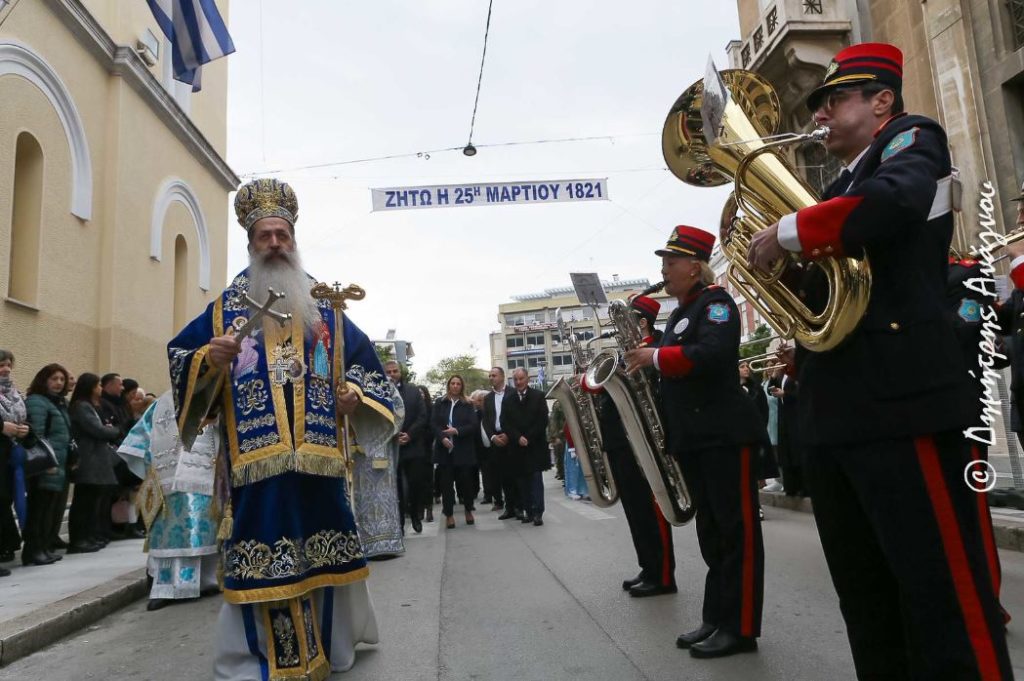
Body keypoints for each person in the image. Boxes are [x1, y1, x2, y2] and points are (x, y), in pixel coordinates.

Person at [747, 43, 1012, 677]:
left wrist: (787, 234)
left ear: (881, 101)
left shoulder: (912, 140)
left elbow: (895, 203)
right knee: (868, 601)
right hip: (841, 412)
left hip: (901, 405)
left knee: (941, 594)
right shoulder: (839, 185)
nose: (821, 116)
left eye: (834, 100)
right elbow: (827, 288)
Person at [168, 178, 396, 679]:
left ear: (293, 240)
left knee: (325, 558)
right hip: (256, 468)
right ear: (250, 243)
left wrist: (352, 396)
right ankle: (260, 663)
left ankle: (332, 652)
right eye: (264, 235)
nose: (274, 243)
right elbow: (181, 358)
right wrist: (211, 358)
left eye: (282, 234)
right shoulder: (224, 311)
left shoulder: (325, 310)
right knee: (264, 562)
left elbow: (366, 369)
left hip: (320, 463)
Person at [626, 225, 766, 658]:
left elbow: (715, 356)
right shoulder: (682, 312)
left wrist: (657, 356)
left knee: (736, 532)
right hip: (696, 437)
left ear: (694, 266)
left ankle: (740, 627)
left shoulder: (718, 304)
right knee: (712, 533)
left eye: (670, 262)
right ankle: (716, 616)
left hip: (724, 434)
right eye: (663, 263)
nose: (663, 270)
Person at [582, 295, 677, 597]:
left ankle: (662, 574)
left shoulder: (656, 347)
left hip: (644, 443)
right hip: (622, 441)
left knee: (652, 507)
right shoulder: (626, 353)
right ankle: (648, 566)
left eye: (624, 321)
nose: (617, 329)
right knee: (635, 509)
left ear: (642, 322)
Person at [117, 391, 219, 611]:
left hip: (204, 475)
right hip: (166, 477)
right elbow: (142, 437)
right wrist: (149, 467)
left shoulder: (215, 395)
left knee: (202, 531)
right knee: (169, 534)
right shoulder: (163, 403)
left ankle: (208, 581)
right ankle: (167, 588)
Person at [24, 364, 73, 566]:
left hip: (57, 464)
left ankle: (43, 548)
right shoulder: (37, 401)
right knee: (38, 508)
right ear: (44, 380)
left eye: (62, 379)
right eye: (54, 379)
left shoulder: (58, 403)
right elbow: (36, 434)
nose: (59, 383)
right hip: (44, 465)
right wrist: (47, 462)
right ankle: (33, 551)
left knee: (48, 509)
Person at [352, 373, 404, 560]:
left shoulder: (382, 382)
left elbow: (398, 410)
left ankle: (386, 542)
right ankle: (361, 543)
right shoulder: (344, 380)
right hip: (353, 447)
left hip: (379, 446)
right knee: (358, 496)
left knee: (382, 495)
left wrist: (382, 430)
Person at [67, 372, 120, 554]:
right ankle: (79, 539)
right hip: (88, 458)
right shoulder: (81, 407)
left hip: (96, 458)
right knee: (84, 501)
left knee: (93, 501)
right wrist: (113, 431)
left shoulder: (91, 406)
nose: (100, 389)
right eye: (98, 385)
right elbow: (97, 430)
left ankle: (89, 535)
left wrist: (109, 430)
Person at [501, 368, 550, 526]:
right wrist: (517, 437)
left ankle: (537, 512)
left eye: (521, 378)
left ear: (527, 379)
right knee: (521, 481)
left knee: (535, 480)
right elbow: (505, 422)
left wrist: (528, 437)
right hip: (517, 448)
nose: (518, 382)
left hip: (534, 446)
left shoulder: (538, 396)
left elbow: (542, 420)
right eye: (515, 379)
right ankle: (527, 511)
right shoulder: (508, 399)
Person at [385, 360, 428, 534]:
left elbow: (422, 416)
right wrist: (394, 436)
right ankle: (400, 523)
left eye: (395, 371)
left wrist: (409, 435)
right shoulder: (380, 393)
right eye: (389, 372)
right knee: (397, 487)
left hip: (413, 445)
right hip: (391, 446)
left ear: (400, 372)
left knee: (415, 483)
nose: (392, 374)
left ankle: (416, 515)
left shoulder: (413, 391)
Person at [431, 376, 478, 529]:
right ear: (448, 385)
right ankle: (449, 514)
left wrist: (457, 431)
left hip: (463, 450)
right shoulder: (440, 402)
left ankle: (468, 510)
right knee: (446, 485)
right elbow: (434, 423)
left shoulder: (467, 403)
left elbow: (473, 425)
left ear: (462, 386)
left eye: (458, 383)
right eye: (453, 383)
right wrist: (443, 437)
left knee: (466, 483)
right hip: (445, 451)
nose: (455, 386)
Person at [0, 350, 27, 571]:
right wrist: (2, 427)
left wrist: (25, 430)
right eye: (1, 365)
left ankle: (5, 547)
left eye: (9, 364)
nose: (6, 369)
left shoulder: (13, 393)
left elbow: (21, 417)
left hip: (8, 454)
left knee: (5, 499)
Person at [482, 368, 514, 517]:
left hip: (512, 440)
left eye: (494, 375)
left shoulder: (513, 393)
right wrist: (493, 437)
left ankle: (518, 507)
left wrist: (509, 434)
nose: (491, 378)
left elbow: (517, 417)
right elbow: (486, 421)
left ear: (502, 377)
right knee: (502, 476)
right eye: (489, 376)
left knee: (514, 475)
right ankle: (508, 507)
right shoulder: (488, 398)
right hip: (496, 441)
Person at [417, 385, 436, 523]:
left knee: (428, 480)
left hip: (427, 448)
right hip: (414, 448)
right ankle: (419, 508)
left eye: (422, 393)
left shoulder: (431, 409)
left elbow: (433, 427)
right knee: (417, 480)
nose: (421, 395)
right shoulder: (413, 409)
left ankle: (429, 508)